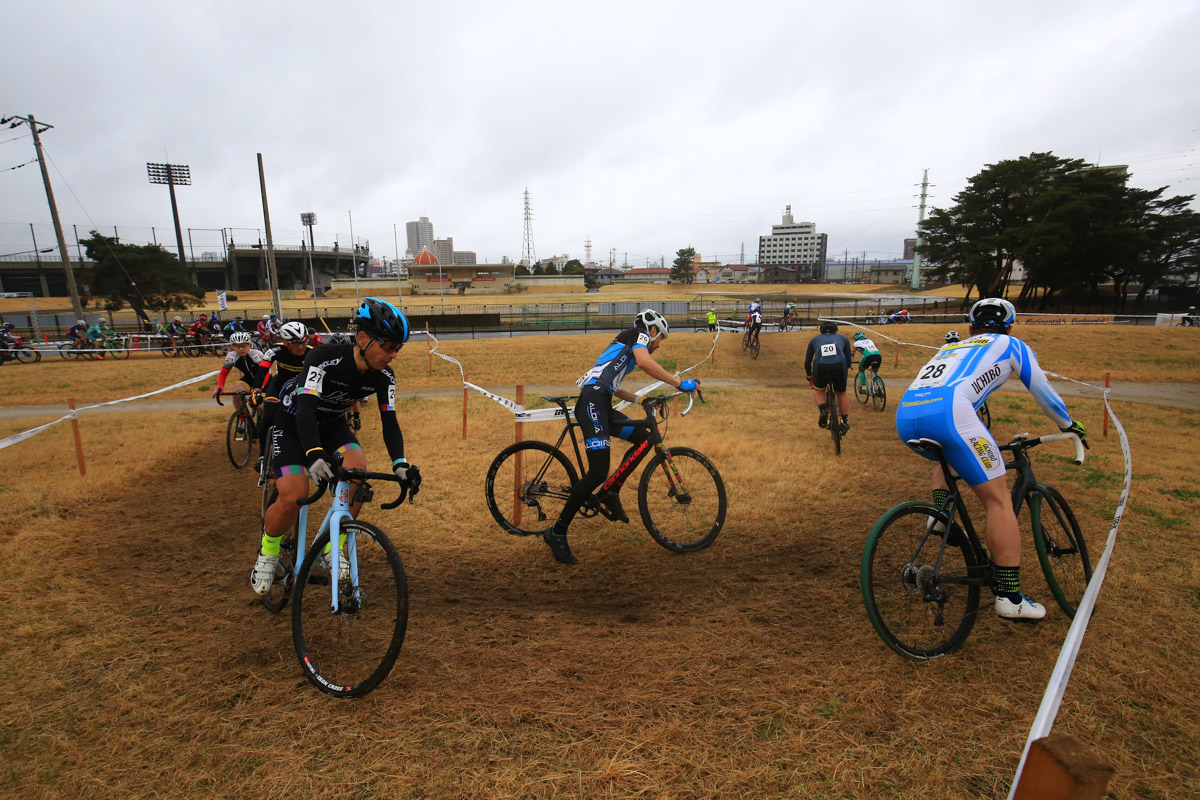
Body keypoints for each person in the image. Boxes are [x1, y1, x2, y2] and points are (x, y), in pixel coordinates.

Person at [895, 298, 1088, 620]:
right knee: (998, 502)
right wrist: (1069, 425)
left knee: (950, 458)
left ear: (971, 328)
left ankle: (940, 515)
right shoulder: (1011, 343)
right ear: (1010, 325)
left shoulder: (949, 349)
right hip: (952, 412)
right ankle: (1010, 598)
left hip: (908, 414)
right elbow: (1044, 391)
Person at [251, 298, 418, 595]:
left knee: (357, 472)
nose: (393, 354)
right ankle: (268, 552)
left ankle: (332, 546)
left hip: (331, 426)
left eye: (398, 348)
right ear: (364, 338)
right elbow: (305, 408)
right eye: (389, 346)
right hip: (293, 426)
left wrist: (400, 464)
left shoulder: (385, 377)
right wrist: (314, 454)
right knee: (294, 495)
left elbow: (389, 422)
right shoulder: (323, 357)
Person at [541, 309, 698, 566]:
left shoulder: (626, 346)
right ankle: (557, 531)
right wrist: (679, 384)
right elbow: (646, 362)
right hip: (592, 402)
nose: (658, 346)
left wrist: (640, 399)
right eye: (661, 339)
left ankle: (612, 492)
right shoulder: (639, 336)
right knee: (597, 472)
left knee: (645, 439)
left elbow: (613, 386)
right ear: (653, 331)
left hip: (600, 401)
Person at [252, 321, 311, 483]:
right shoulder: (275, 350)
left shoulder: (312, 353)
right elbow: (262, 370)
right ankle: (263, 456)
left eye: (304, 341)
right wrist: (256, 389)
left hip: (300, 387)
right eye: (296, 343)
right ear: (285, 342)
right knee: (268, 414)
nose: (301, 347)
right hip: (278, 385)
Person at [805, 321, 852, 434]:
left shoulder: (814, 340)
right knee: (841, 393)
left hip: (820, 366)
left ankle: (823, 409)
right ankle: (844, 422)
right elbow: (848, 360)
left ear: (821, 332)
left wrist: (809, 375)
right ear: (836, 331)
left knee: (819, 389)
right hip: (839, 365)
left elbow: (807, 362)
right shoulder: (843, 339)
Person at [212, 331, 265, 414]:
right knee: (237, 392)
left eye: (244, 345)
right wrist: (220, 387)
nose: (241, 349)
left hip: (263, 380)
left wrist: (259, 387)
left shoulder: (256, 354)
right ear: (232, 346)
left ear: (249, 345)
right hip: (248, 379)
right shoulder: (231, 356)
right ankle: (242, 416)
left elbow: (267, 372)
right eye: (237, 346)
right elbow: (223, 373)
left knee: (261, 407)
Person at [852, 331, 883, 396]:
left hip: (867, 356)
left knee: (861, 369)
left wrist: (849, 361)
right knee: (875, 370)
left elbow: (851, 355)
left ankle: (863, 386)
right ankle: (880, 387)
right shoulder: (870, 340)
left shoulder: (855, 344)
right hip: (878, 355)